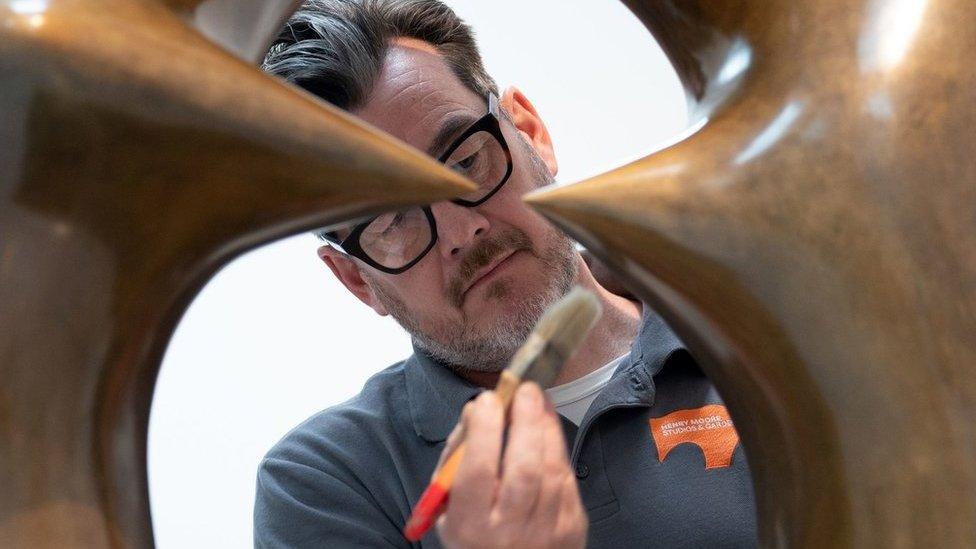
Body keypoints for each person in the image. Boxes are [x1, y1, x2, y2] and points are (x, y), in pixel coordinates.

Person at [254, 1, 757, 547]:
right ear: (354, 279)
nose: (459, 230)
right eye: (394, 220)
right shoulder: (325, 482)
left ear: (530, 130)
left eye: (466, 161)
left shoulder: (759, 348)